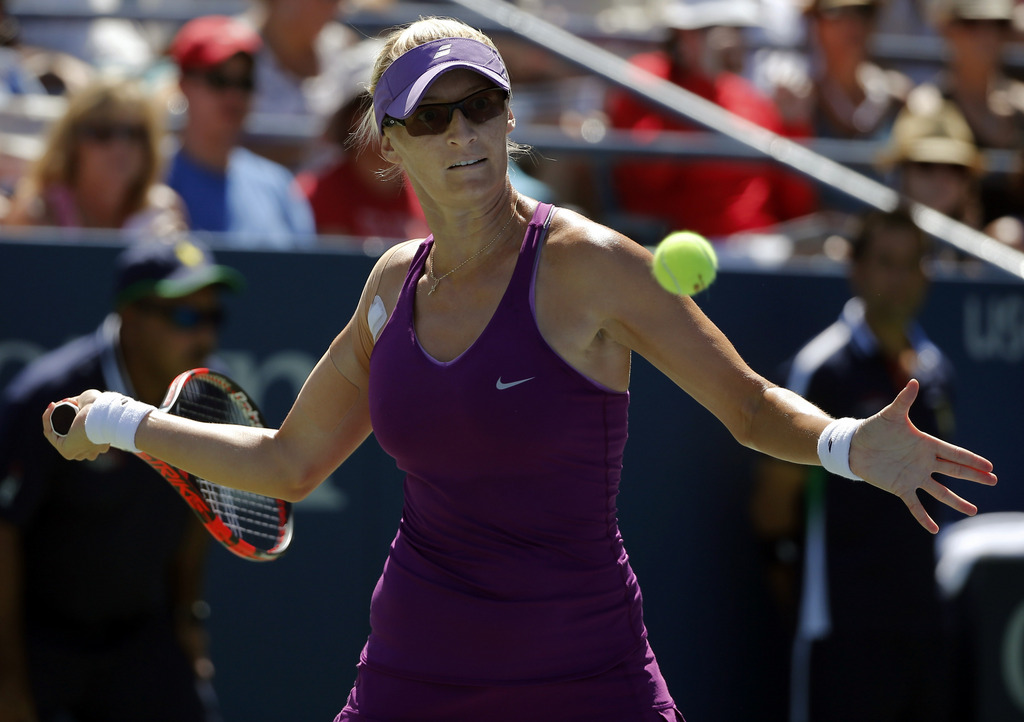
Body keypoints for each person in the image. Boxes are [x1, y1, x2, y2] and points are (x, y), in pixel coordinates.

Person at [44, 18, 997, 722]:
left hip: (586, 674)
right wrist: (117, 421)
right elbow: (288, 460)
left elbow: (747, 406)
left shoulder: (590, 265)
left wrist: (844, 444)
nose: (463, 136)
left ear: (508, 119)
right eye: (434, 117)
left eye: (482, 108)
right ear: (392, 142)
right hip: (414, 669)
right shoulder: (390, 287)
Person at [1, 236, 243, 722]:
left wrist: (186, 614)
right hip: (41, 638)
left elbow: (200, 512)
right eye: (185, 317)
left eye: (212, 317)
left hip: (142, 635)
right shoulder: (48, 397)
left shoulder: (209, 398)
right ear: (131, 319)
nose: (204, 337)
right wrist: (7, 679)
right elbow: (4, 533)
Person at [750, 209, 958, 722]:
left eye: (912, 264)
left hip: (922, 627)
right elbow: (773, 504)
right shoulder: (820, 369)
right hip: (841, 631)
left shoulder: (937, 371)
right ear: (857, 270)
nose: (899, 279)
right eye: (886, 263)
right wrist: (805, 604)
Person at [606, 0, 817, 241]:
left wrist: (795, 126)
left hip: (763, 249)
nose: (728, 40)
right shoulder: (647, 77)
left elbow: (795, 207)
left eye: (736, 29)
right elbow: (646, 178)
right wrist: (699, 87)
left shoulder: (750, 98)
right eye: (712, 28)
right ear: (682, 35)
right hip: (680, 250)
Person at [164, 15, 316, 249]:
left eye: (244, 82)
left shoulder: (278, 187)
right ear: (184, 84)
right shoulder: (150, 179)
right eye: (219, 80)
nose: (233, 96)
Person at [2, 76, 187, 236]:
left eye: (134, 133)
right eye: (102, 132)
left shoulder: (164, 211)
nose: (119, 147)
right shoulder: (39, 213)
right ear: (72, 142)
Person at [296, 90, 429, 241]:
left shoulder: (432, 192)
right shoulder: (312, 193)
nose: (396, 122)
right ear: (352, 121)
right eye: (377, 109)